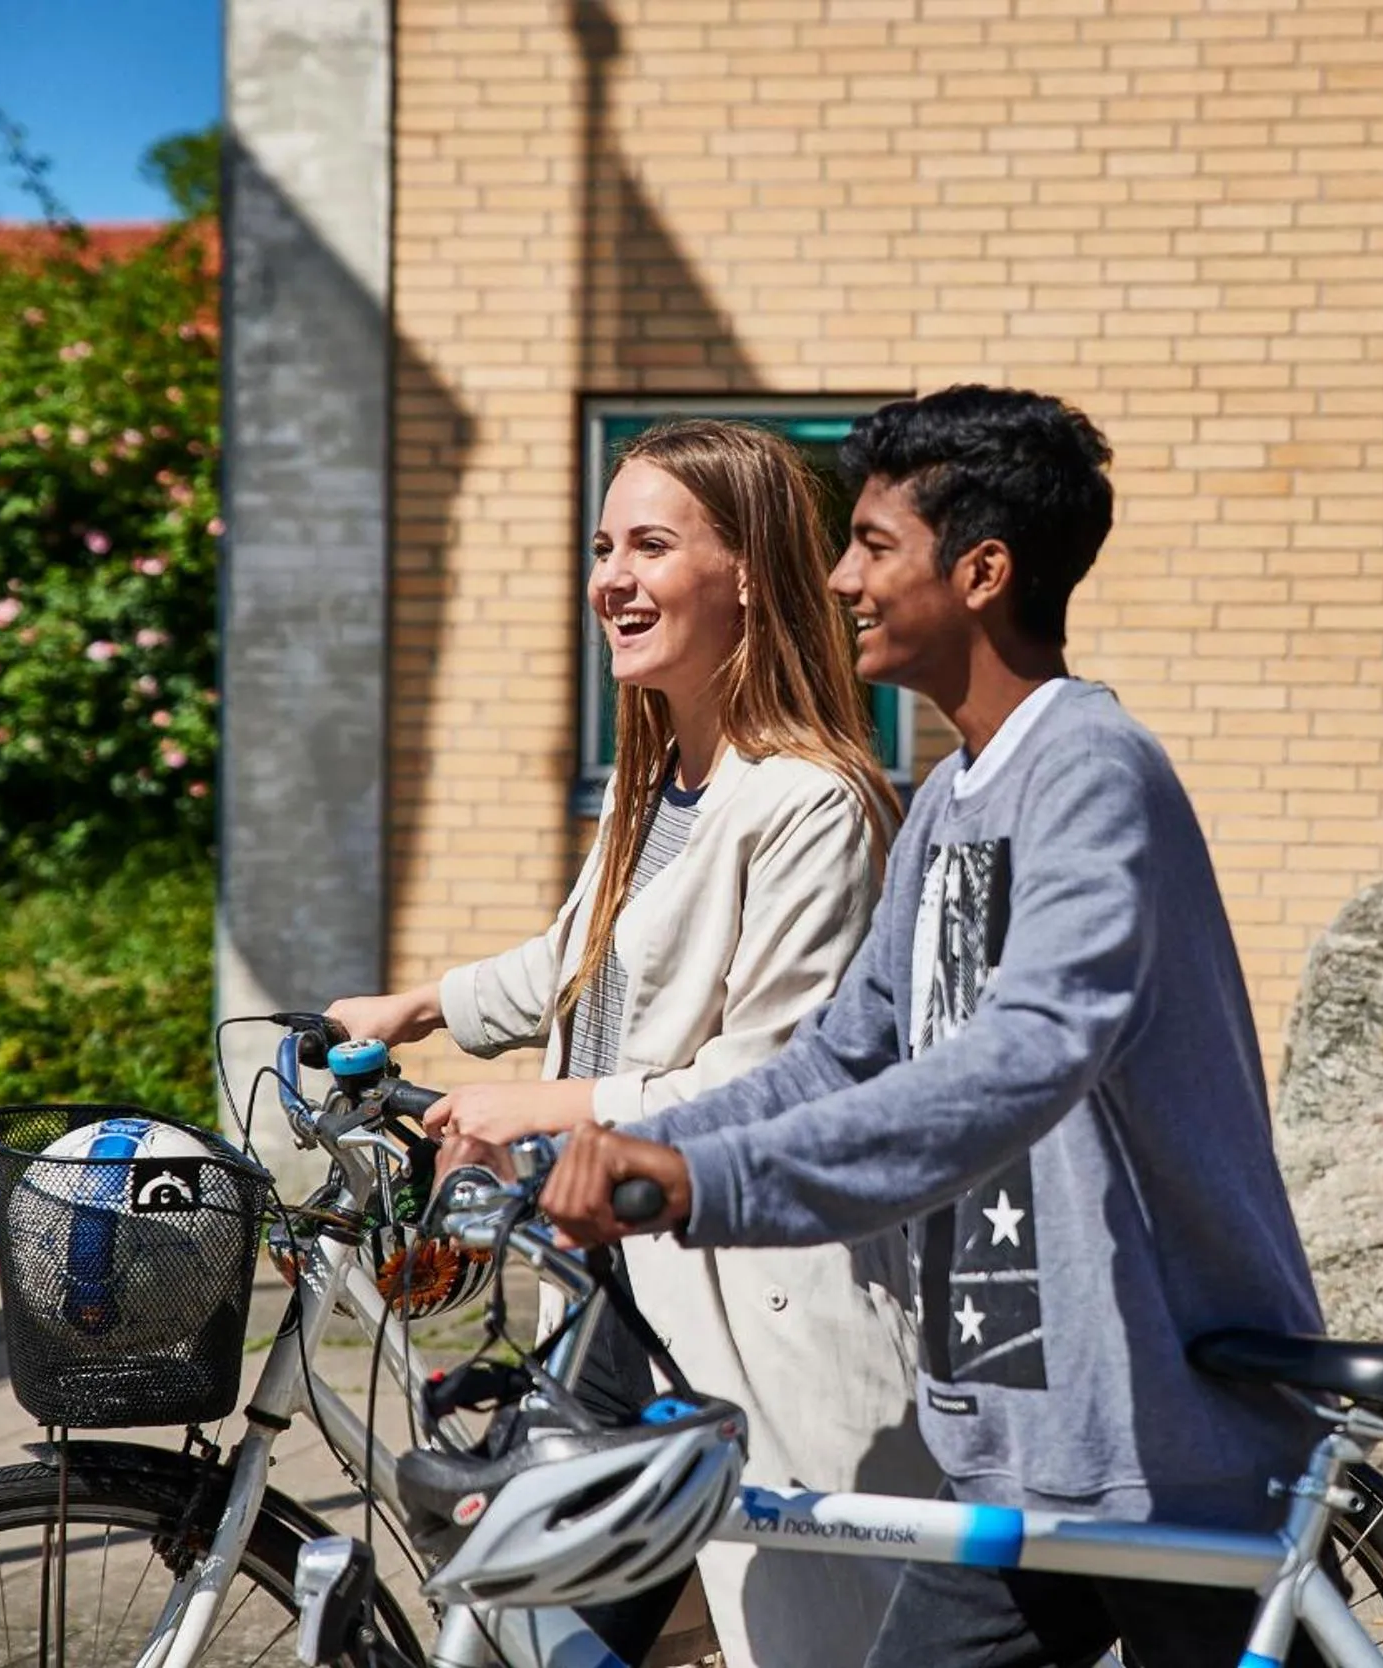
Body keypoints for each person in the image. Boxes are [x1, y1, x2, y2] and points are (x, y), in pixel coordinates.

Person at [541, 386, 1330, 1668]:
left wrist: (703, 1178)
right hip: (1020, 1440)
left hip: (1156, 1438)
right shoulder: (953, 796)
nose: (841, 577)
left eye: (873, 544)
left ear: (981, 571)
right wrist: (646, 1155)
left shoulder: (1088, 773)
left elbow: (1026, 1055)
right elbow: (842, 1056)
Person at [325, 418, 934, 1668]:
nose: (611, 577)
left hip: (748, 1319)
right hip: (618, 1305)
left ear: (753, 571)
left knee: (717, 1637)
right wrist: (418, 1007)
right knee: (546, 1633)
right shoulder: (657, 784)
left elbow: (775, 1079)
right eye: (605, 547)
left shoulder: (813, 803)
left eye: (651, 544)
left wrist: (549, 1109)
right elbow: (576, 961)